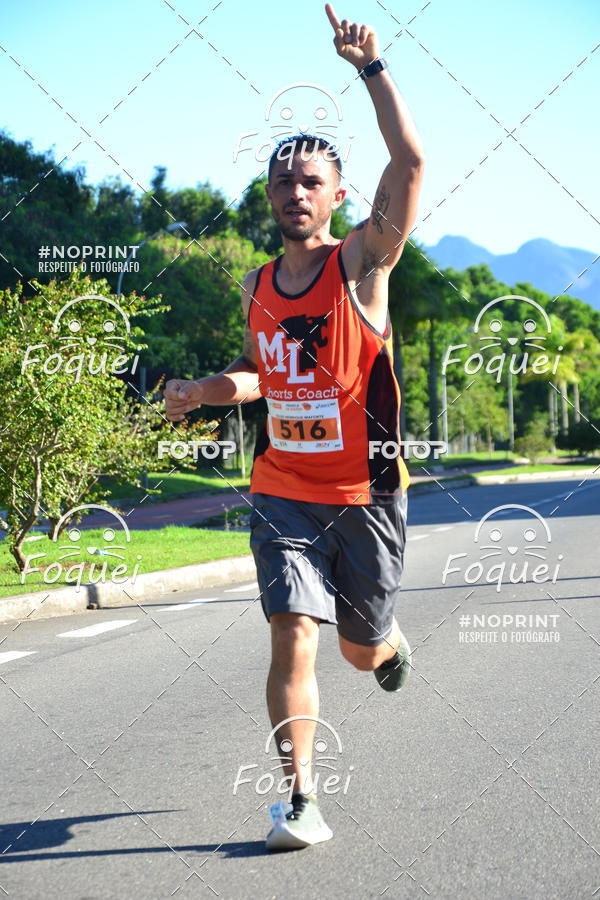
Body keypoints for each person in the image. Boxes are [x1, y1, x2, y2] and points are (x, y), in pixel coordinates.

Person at [164, 3, 425, 853]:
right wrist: (205, 391)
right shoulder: (257, 283)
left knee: (358, 652)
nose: (296, 193)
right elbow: (260, 373)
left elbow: (411, 162)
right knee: (290, 635)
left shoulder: (363, 262)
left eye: (312, 181)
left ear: (337, 195)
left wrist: (370, 68)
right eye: (283, 182)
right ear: (270, 195)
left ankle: (384, 643)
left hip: (366, 491)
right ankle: (302, 800)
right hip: (283, 489)